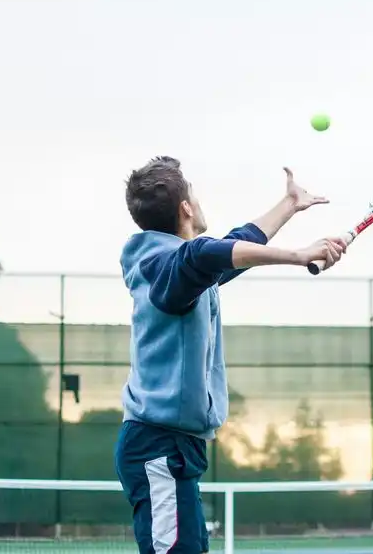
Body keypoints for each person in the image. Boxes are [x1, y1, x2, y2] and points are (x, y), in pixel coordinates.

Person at [114, 157, 347, 554]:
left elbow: (230, 247)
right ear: (186, 209)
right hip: (158, 447)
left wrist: (289, 205)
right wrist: (300, 255)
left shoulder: (175, 269)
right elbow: (205, 254)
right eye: (194, 195)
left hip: (173, 447)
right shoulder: (169, 268)